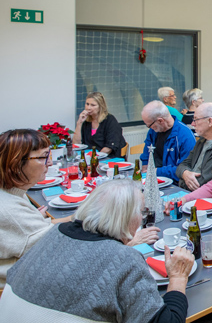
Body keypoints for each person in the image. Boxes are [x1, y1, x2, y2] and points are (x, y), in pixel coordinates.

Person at [0, 179, 195, 322]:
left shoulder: (54, 233)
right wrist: (178, 278)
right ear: (127, 218)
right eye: (142, 212)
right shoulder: (125, 259)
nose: (142, 219)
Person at [0, 129, 72, 289]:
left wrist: (72, 218)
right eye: (43, 157)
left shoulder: (12, 193)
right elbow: (59, 247)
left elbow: (33, 233)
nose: (50, 163)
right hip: (19, 290)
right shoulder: (10, 210)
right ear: (16, 163)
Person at [176, 103, 212, 191]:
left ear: (210, 121)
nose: (192, 124)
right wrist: (185, 173)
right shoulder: (201, 141)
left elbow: (202, 182)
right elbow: (182, 165)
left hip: (203, 198)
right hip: (187, 191)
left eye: (196, 119)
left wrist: (182, 180)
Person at [140, 101, 196, 182]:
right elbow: (147, 152)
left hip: (174, 183)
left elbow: (185, 169)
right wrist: (145, 166)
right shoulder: (153, 131)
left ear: (160, 121)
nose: (149, 128)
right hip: (154, 178)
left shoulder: (185, 136)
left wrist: (157, 171)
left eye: (149, 125)